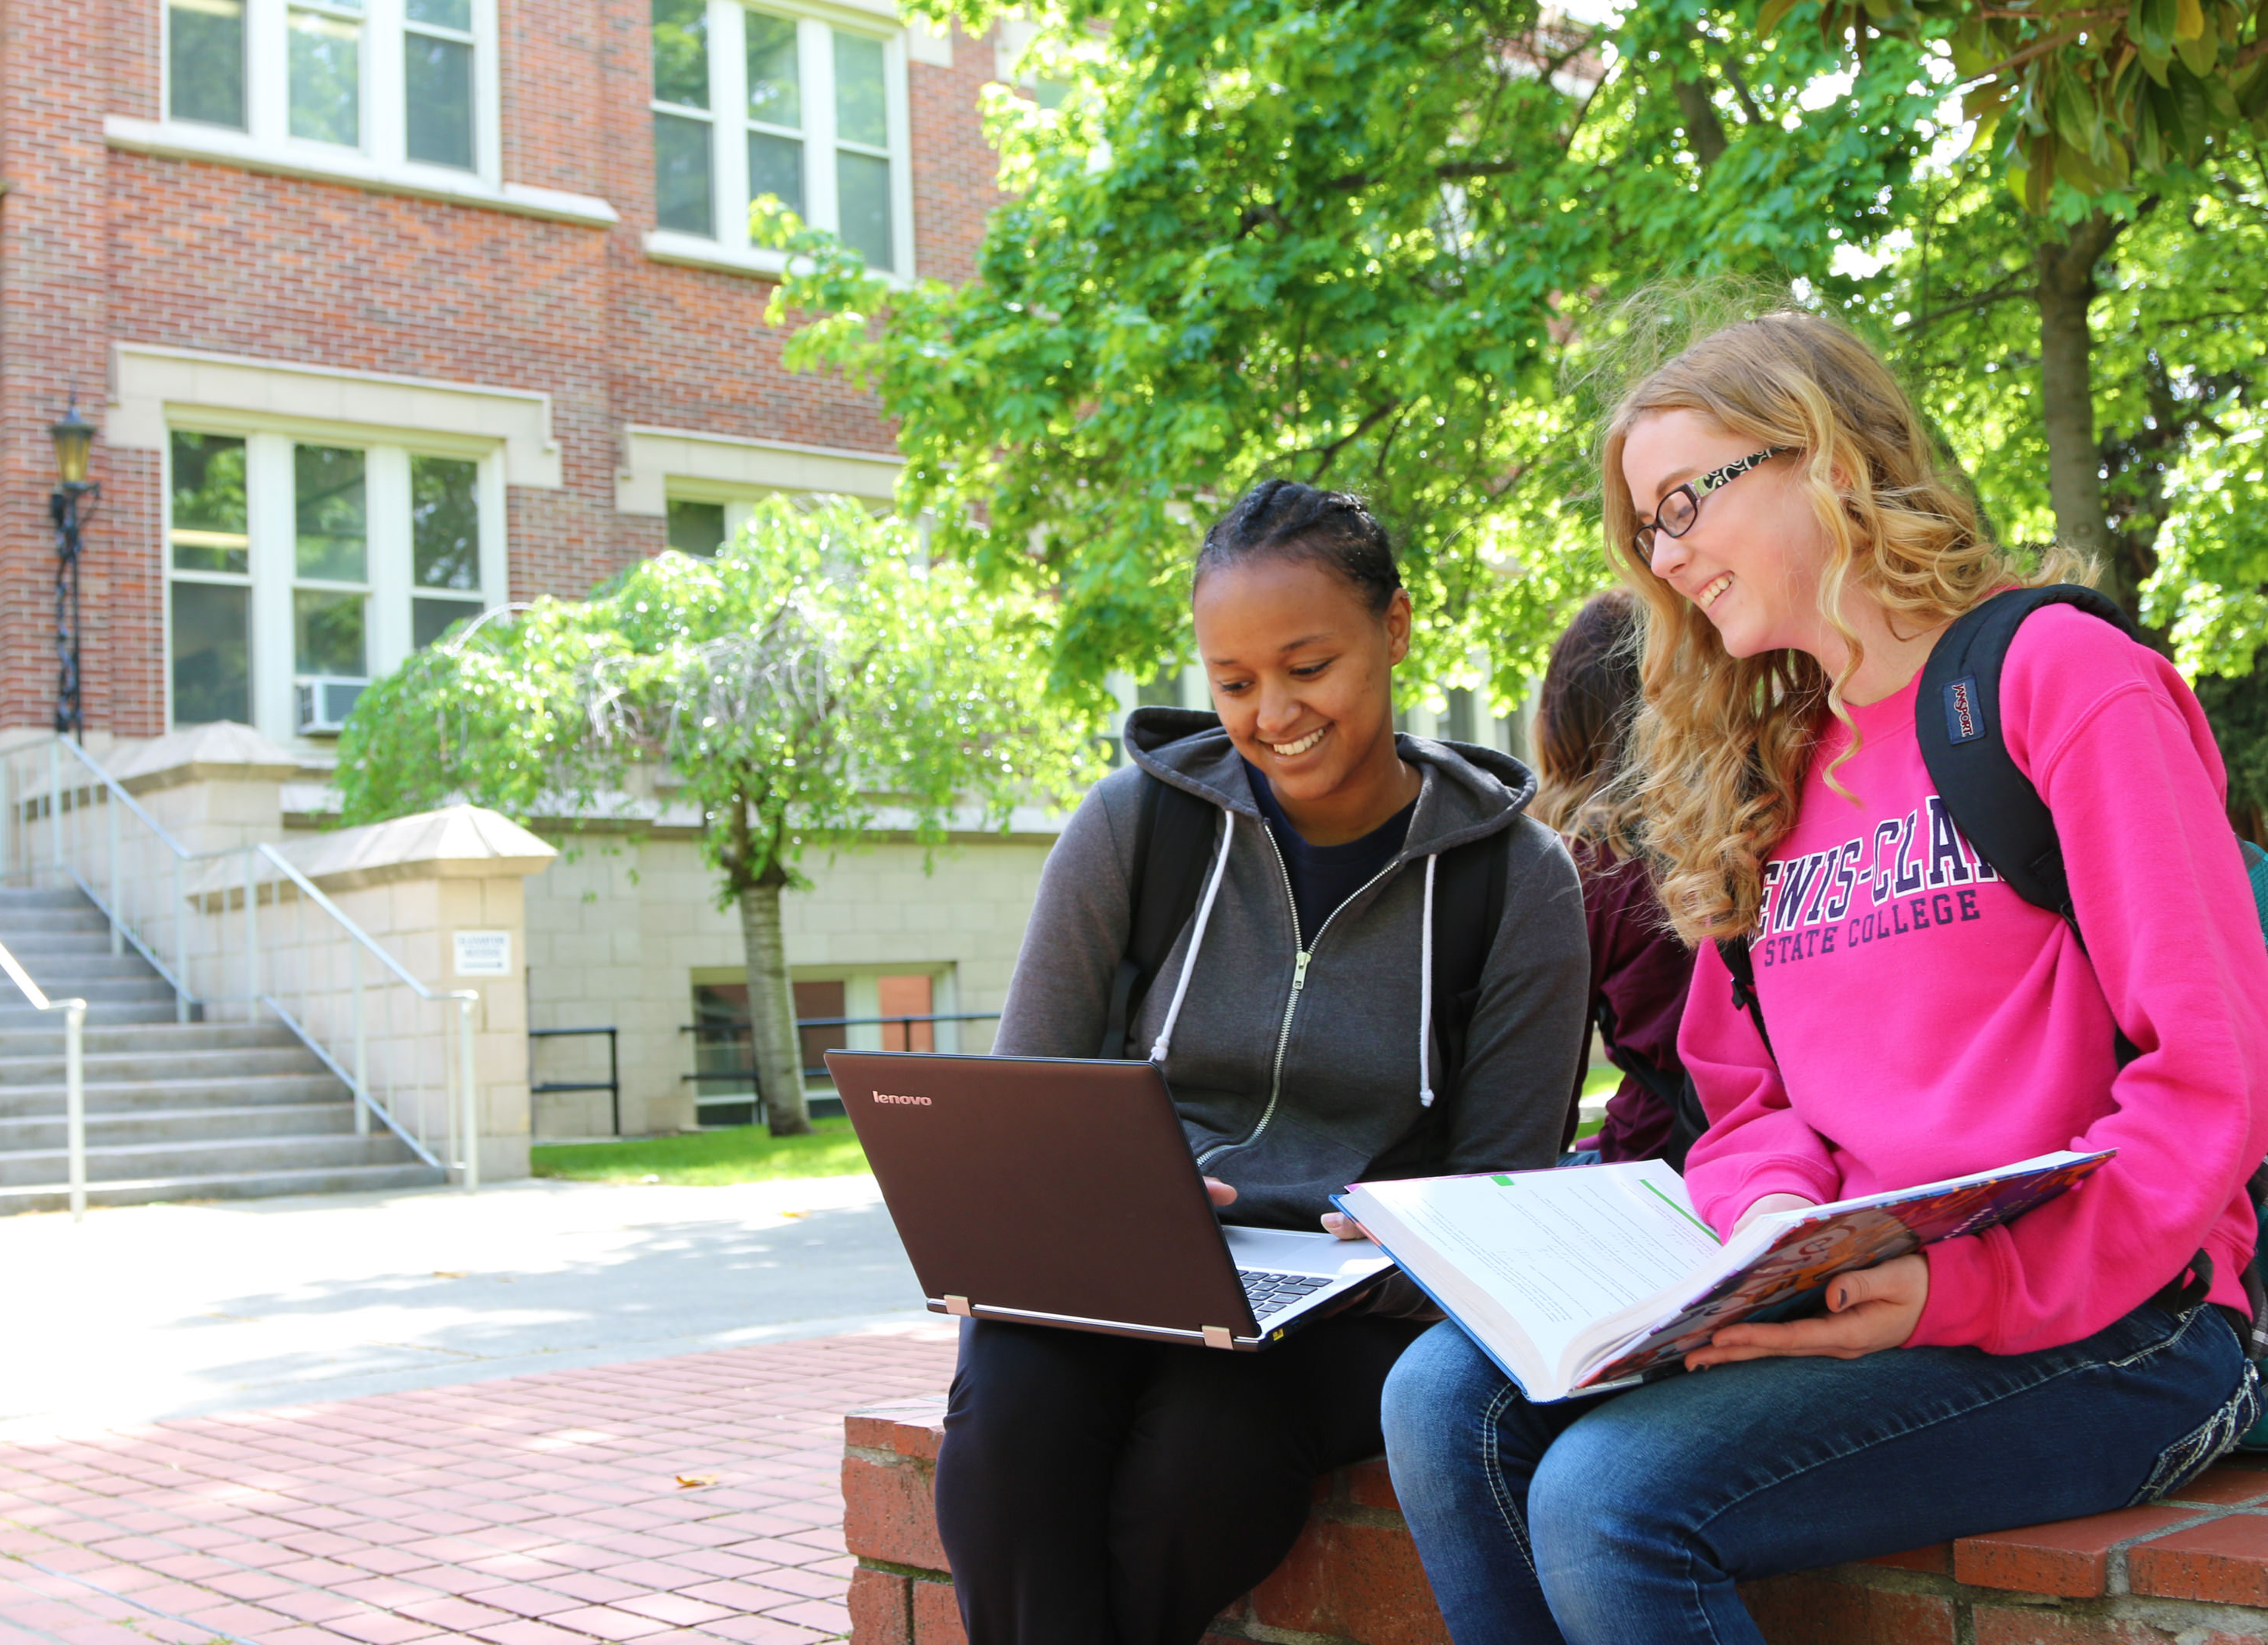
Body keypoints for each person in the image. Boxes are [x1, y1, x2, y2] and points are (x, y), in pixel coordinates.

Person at [1379, 308, 2268, 1645]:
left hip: (2127, 1323)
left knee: (1610, 1498)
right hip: (1860, 1282)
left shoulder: (2060, 681)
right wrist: (1773, 1234)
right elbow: (1745, 1104)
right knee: (1441, 1401)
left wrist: (1958, 1289)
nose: (1667, 558)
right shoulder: (1769, 759)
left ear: (1831, 461)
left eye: (1684, 504)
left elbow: (2212, 1074)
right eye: (1646, 530)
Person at [935, 480, 1591, 1645]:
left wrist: (1379, 1246)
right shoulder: (1137, 827)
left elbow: (1502, 1197)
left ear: (1394, 629)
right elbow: (1022, 1115)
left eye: (1308, 666)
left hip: (1347, 1305)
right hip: (1122, 1271)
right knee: (1013, 1417)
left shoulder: (1517, 883)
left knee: (1206, 1446)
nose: (1272, 713)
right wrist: (1133, 1206)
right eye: (1233, 683)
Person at [1529, 588, 1698, 1166]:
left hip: (1659, 1161)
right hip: (1753, 1144)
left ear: (1563, 715)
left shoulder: (1589, 863)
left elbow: (1537, 1093)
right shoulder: (1746, 823)